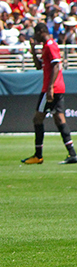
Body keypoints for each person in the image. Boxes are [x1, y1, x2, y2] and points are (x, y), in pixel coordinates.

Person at [22, 23, 77, 165]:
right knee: (59, 119)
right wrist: (33, 50)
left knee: (37, 119)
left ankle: (38, 155)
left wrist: (50, 87)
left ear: (41, 32)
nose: (35, 36)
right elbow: (39, 66)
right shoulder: (46, 46)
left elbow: (56, 65)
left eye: (36, 33)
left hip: (51, 88)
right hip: (56, 87)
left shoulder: (51, 45)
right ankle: (72, 153)